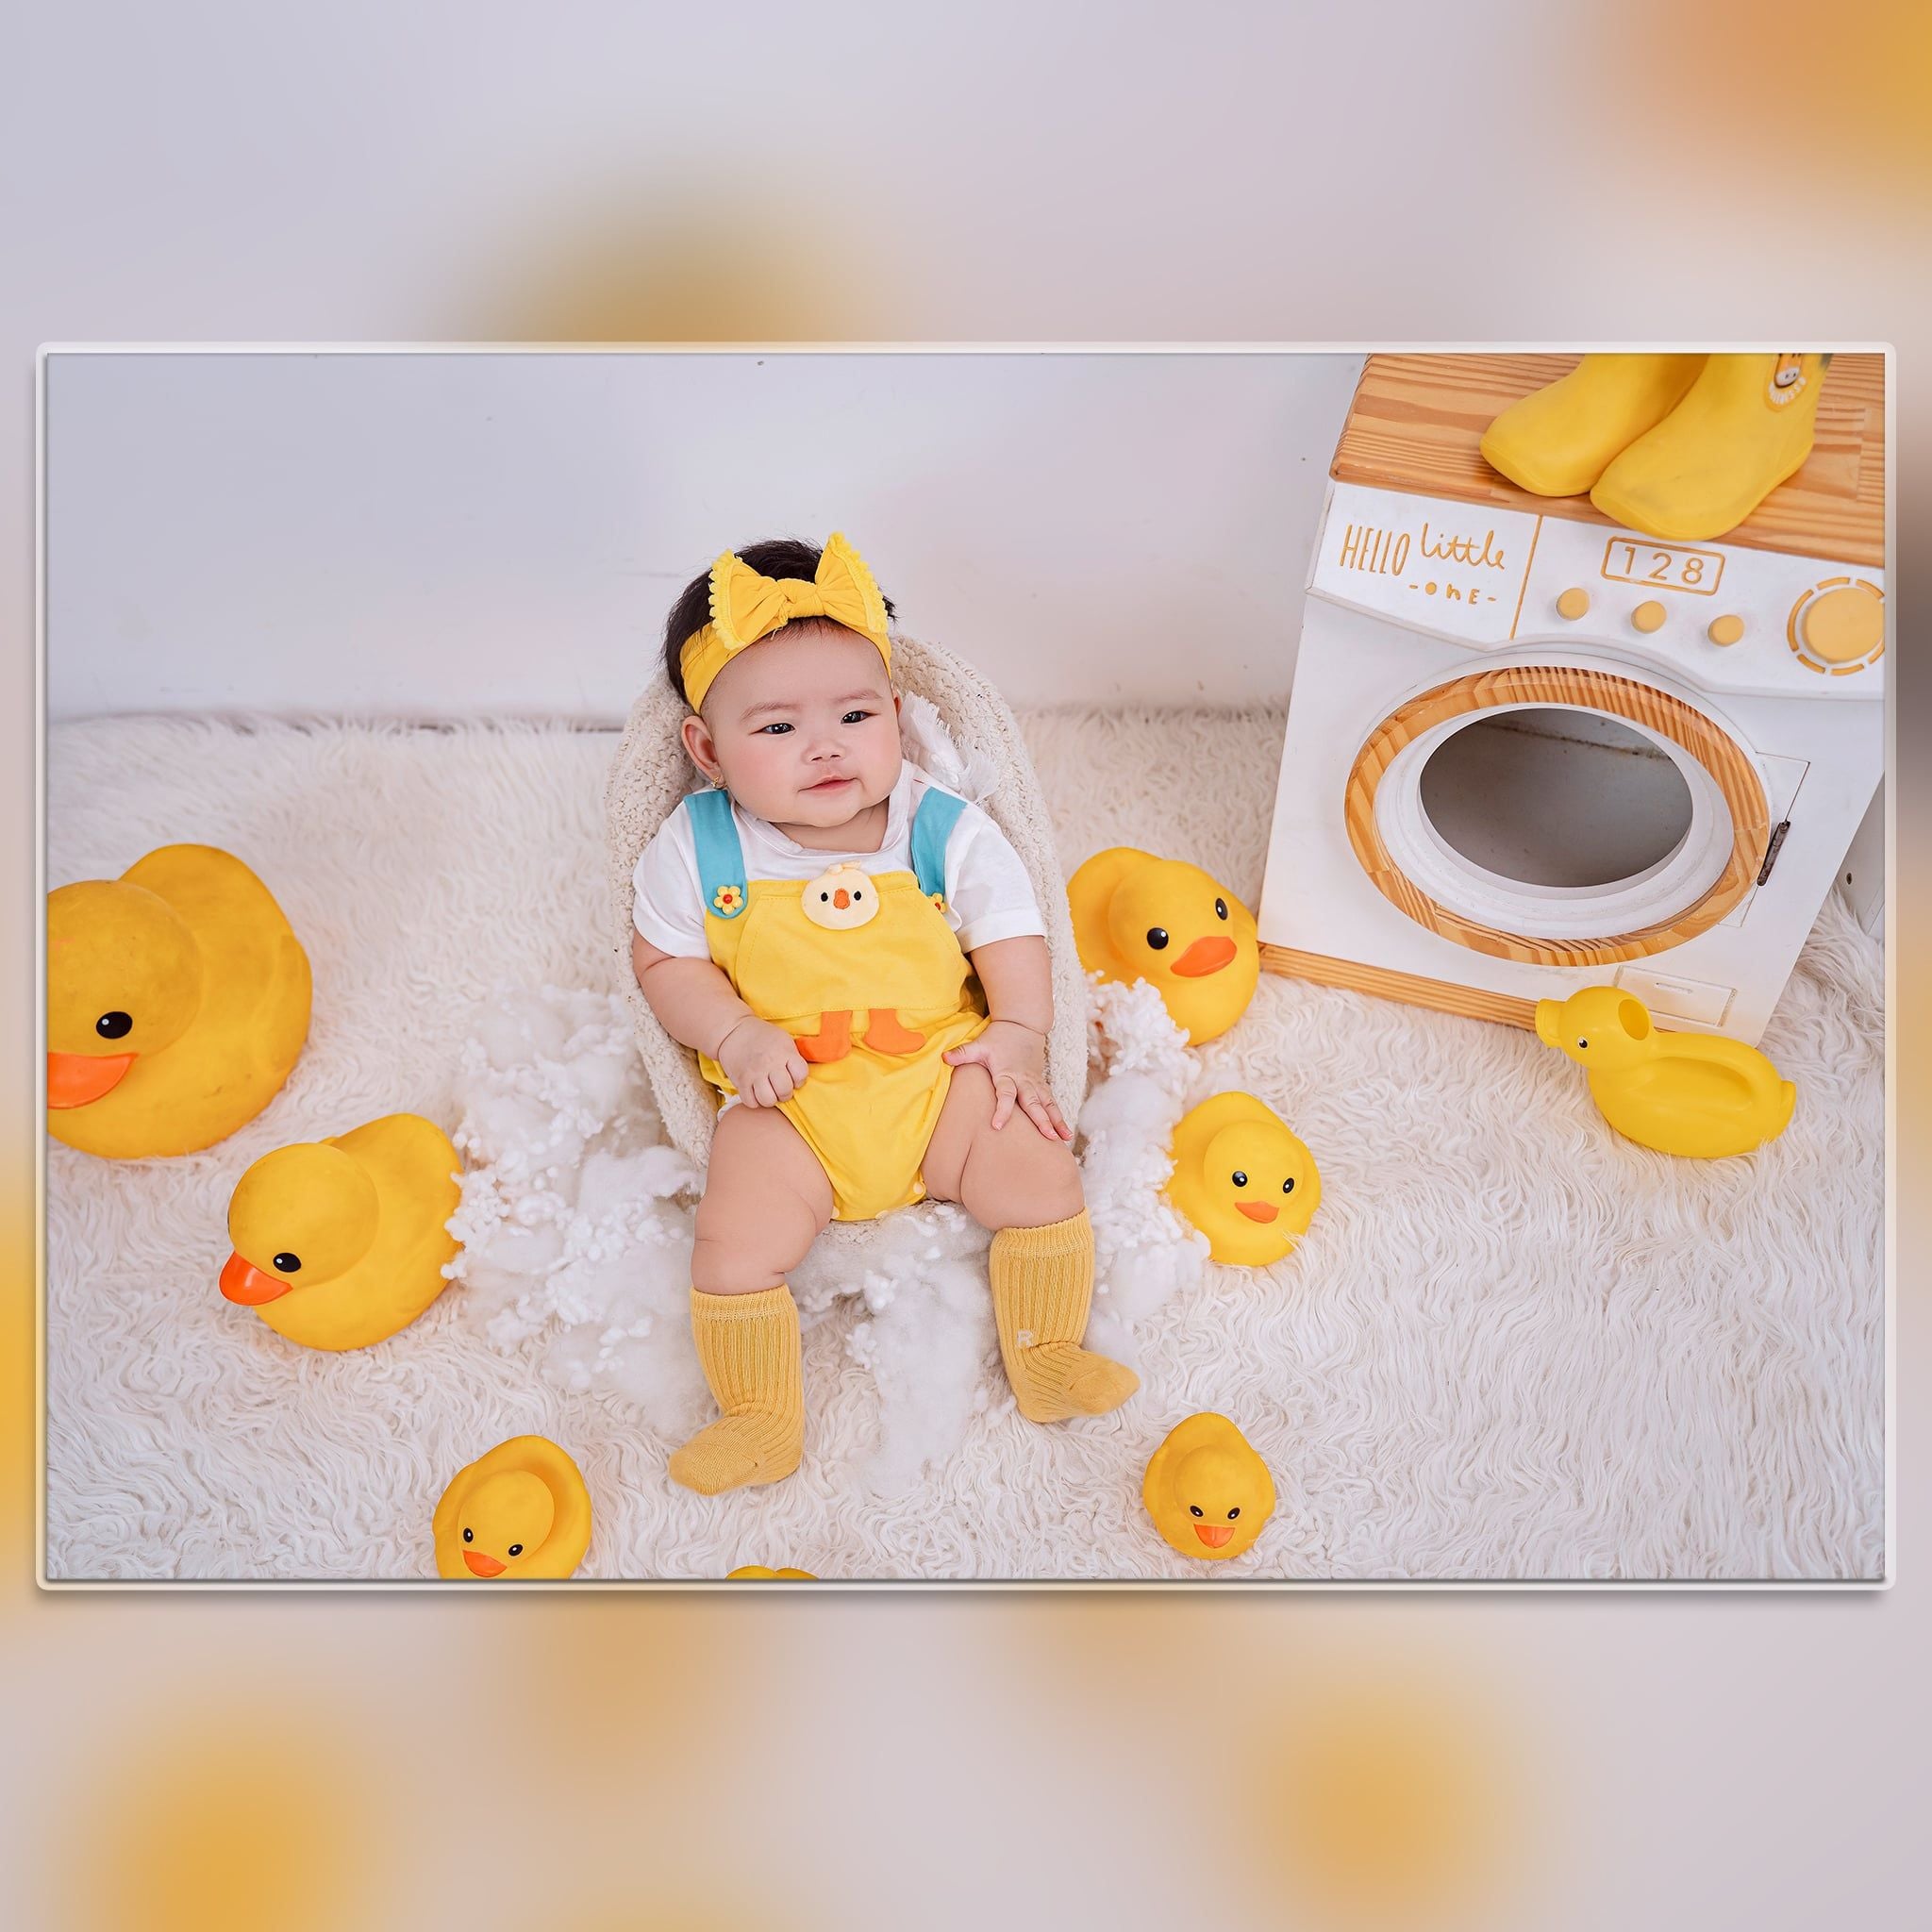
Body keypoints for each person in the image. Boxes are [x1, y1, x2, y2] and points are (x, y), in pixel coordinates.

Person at [629, 534, 1138, 1493]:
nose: (824, 746)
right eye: (777, 728)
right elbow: (662, 962)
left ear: (896, 717)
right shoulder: (696, 846)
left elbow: (1014, 930)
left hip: (939, 1085)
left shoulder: (939, 825)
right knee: (732, 1237)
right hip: (790, 1105)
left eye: (855, 715)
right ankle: (758, 1413)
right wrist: (733, 1032)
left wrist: (1018, 1034)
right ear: (707, 750)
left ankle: (1047, 1353)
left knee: (1038, 1168)